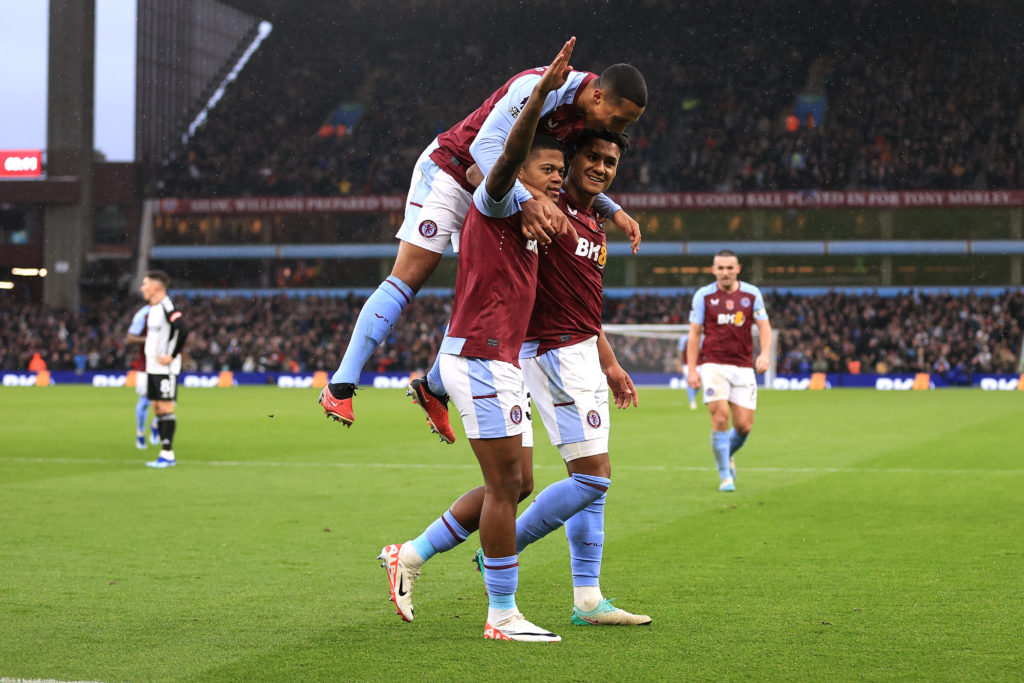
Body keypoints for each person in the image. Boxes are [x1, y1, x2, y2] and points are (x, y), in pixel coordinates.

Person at [383, 127, 652, 630]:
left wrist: (610, 362)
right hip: (548, 353)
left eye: (610, 163)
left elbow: (584, 306)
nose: (600, 168)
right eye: (588, 159)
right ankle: (501, 550)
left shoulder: (591, 218)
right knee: (590, 477)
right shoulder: (543, 210)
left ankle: (588, 597)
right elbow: (484, 174)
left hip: (581, 353)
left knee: (575, 483)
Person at [319, 43, 648, 431]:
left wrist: (613, 210)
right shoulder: (540, 87)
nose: (617, 130)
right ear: (598, 95)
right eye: (617, 118)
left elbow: (575, 173)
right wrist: (525, 200)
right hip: (452, 171)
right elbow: (483, 147)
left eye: (627, 125)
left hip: (498, 189)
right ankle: (341, 384)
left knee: (491, 288)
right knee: (412, 274)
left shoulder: (585, 120)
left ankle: (434, 388)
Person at [378, 40, 576, 643]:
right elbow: (501, 157)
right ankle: (501, 614)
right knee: (501, 488)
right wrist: (538, 95)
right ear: (519, 172)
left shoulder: (539, 215)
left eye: (560, 174)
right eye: (549, 171)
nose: (557, 182)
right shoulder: (495, 200)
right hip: (480, 355)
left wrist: (610, 210)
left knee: (520, 485)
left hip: (503, 358)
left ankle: (408, 555)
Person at [686, 250, 772, 492]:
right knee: (721, 417)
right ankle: (725, 476)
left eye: (729, 268)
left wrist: (764, 354)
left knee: (744, 426)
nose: (725, 272)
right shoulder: (703, 296)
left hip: (743, 366)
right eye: (720, 268)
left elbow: (765, 327)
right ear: (714, 270)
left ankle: (726, 454)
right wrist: (692, 369)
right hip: (713, 364)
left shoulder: (752, 294)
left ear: (738, 269)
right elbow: (694, 334)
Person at [139, 270, 189, 469]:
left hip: (165, 368)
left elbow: (183, 328)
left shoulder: (167, 305)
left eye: (145, 283)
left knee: (166, 407)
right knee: (157, 407)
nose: (142, 288)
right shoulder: (153, 308)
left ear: (156, 287)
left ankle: (167, 453)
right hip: (152, 367)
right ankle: (164, 449)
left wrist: (173, 354)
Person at [125, 303, 160, 449]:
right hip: (146, 365)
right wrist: (148, 340)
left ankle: (155, 424)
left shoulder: (169, 313)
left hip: (165, 364)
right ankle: (140, 432)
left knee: (165, 401)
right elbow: (130, 338)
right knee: (145, 401)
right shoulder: (144, 314)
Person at [678, 332, 700, 410]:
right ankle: (692, 402)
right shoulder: (684, 339)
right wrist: (680, 364)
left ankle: (692, 396)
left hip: (697, 364)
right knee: (691, 383)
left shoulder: (700, 338)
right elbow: (680, 353)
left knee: (698, 384)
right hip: (687, 365)